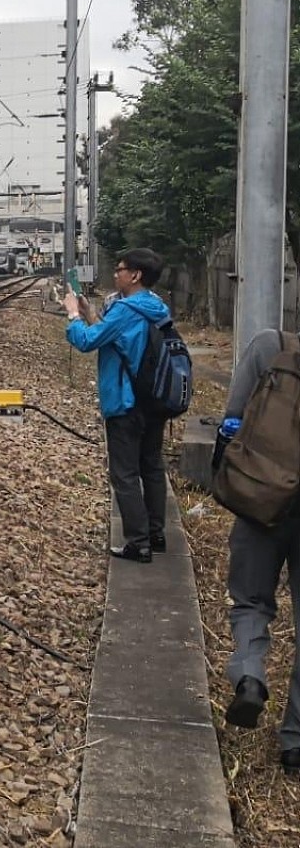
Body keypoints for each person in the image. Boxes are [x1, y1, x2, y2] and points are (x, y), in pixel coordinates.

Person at [221, 327, 300, 770]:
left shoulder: (270, 345)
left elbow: (234, 418)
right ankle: (295, 745)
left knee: (251, 601)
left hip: (263, 498)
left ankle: (250, 674)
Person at [64, 248, 171, 563]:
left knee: (124, 473)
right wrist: (90, 313)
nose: (116, 273)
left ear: (135, 275)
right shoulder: (156, 306)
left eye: (120, 269)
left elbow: (86, 342)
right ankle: (156, 533)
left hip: (126, 401)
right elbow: (114, 337)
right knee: (151, 466)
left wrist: (72, 315)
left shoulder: (126, 310)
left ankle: (138, 543)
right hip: (153, 399)